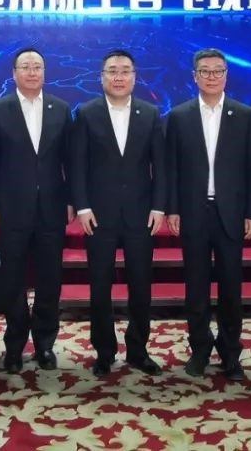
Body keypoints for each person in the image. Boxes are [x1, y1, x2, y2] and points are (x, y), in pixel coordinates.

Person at [166, 49, 251, 380]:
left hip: (231, 214)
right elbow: (171, 168)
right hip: (193, 212)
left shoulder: (245, 115)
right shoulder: (179, 116)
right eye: (205, 71)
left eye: (217, 71)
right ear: (194, 76)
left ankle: (231, 354)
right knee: (196, 288)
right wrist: (173, 209)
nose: (211, 76)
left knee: (231, 289)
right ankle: (200, 350)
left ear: (226, 75)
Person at [70, 50, 166, 377]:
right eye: (112, 70)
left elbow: (161, 166)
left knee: (141, 286)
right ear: (102, 77)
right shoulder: (86, 113)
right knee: (100, 287)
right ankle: (104, 351)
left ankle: (138, 350)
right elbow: (77, 165)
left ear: (135, 77)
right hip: (99, 216)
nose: (119, 76)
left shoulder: (150, 113)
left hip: (141, 214)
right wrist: (82, 206)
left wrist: (159, 206)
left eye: (125, 71)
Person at [0, 48, 73, 374]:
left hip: (51, 209)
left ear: (45, 72)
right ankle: (15, 345)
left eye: (37, 67)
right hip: (11, 209)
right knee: (12, 279)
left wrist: (71, 200)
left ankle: (45, 343)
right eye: (25, 67)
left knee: (50, 279)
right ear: (14, 73)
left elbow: (70, 161)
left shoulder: (60, 109)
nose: (32, 72)